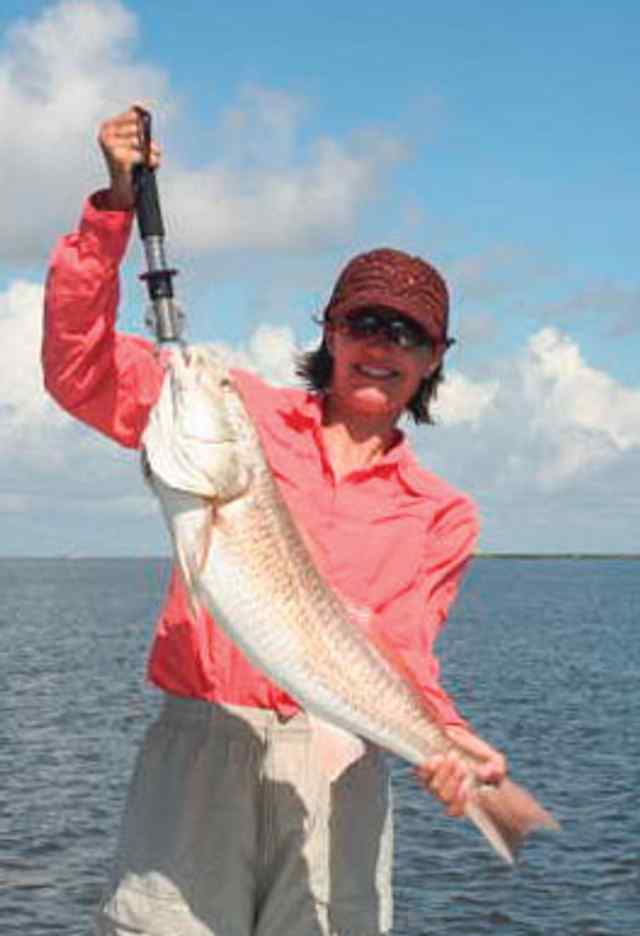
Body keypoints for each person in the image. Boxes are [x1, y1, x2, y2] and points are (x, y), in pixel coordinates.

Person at [42, 106, 506, 936]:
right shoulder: (234, 413)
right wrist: (113, 208)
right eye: (364, 322)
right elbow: (79, 367)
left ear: (435, 358)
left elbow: (404, 654)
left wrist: (449, 741)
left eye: (408, 334)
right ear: (328, 330)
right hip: (201, 748)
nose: (381, 345)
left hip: (344, 769)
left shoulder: (443, 514)